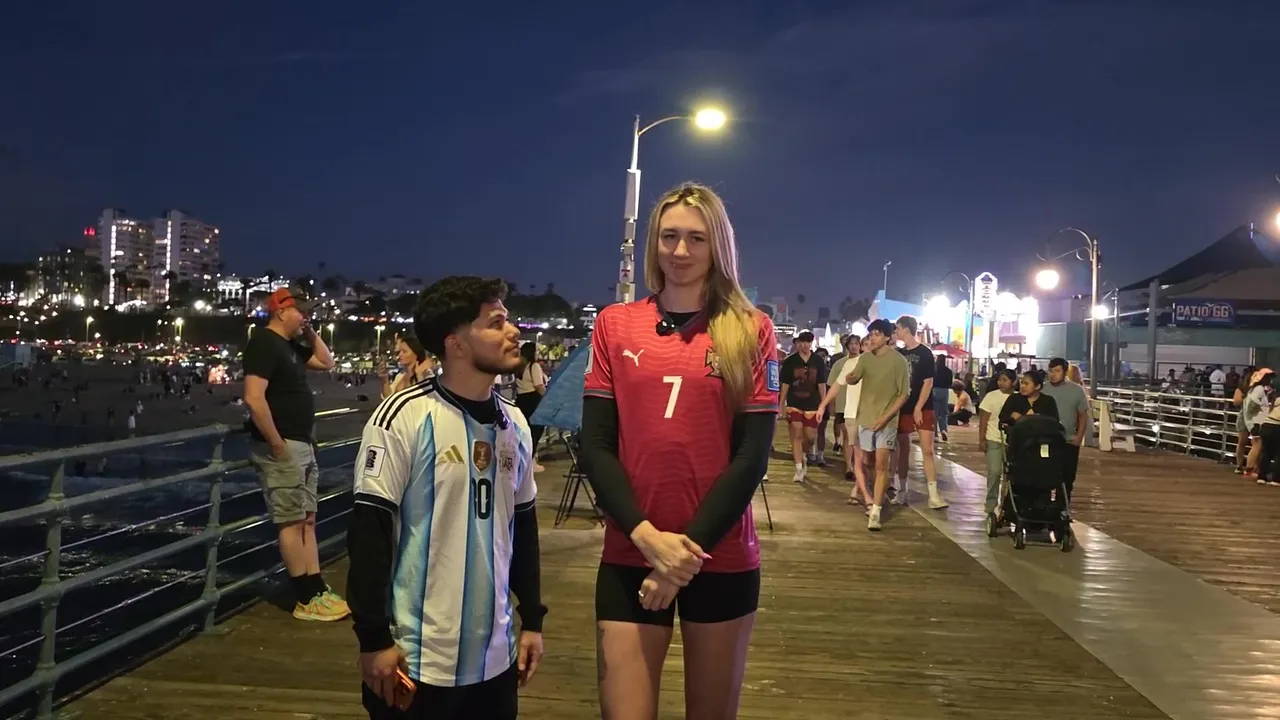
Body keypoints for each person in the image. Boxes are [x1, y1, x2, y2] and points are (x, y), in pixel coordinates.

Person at [578, 182, 778, 720]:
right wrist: (647, 539)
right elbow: (595, 444)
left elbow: (751, 457)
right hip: (631, 550)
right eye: (669, 236)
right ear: (654, 243)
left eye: (697, 238)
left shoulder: (752, 330)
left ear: (719, 247)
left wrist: (679, 560)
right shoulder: (614, 324)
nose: (681, 251)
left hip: (718, 554)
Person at [347, 276, 546, 720]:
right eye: (495, 323)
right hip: (417, 658)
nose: (513, 331)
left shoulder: (515, 424)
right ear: (455, 343)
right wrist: (373, 639)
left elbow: (524, 529)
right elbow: (368, 534)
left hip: (496, 657)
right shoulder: (403, 417)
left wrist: (532, 620)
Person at [242, 286, 345, 621]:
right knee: (290, 521)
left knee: (307, 519)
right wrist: (276, 443)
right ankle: (304, 598)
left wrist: (310, 331)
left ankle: (316, 588)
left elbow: (327, 362)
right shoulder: (263, 343)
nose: (305, 316)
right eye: (301, 311)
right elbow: (253, 397)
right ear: (281, 311)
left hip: (301, 443)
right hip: (283, 444)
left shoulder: (289, 347)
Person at [841, 319, 909, 531]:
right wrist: (851, 378)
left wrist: (886, 417)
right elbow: (855, 377)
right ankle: (879, 494)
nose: (872, 338)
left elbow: (904, 394)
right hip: (865, 418)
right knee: (867, 461)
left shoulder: (898, 361)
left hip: (887, 421)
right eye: (871, 334)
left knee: (881, 465)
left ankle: (876, 510)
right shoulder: (865, 358)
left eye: (877, 334)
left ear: (888, 337)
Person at [893, 316, 948, 509]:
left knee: (927, 450)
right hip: (903, 406)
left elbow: (928, 382)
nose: (896, 332)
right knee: (902, 449)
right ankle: (902, 490)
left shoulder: (925, 353)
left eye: (898, 328)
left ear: (906, 329)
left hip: (923, 407)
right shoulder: (899, 354)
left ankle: (933, 494)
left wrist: (918, 407)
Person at [818, 335, 868, 500]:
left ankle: (861, 488)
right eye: (851, 344)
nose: (855, 347)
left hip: (867, 411)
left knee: (865, 452)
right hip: (846, 407)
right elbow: (835, 385)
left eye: (857, 344)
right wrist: (826, 404)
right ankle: (849, 468)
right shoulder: (843, 364)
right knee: (850, 440)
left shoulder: (872, 362)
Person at [780, 331, 827, 481]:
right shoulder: (790, 361)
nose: (805, 345)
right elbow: (785, 384)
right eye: (802, 342)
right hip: (794, 402)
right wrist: (781, 404)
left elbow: (821, 384)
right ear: (797, 343)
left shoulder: (818, 361)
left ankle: (804, 455)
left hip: (813, 403)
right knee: (797, 435)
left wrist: (823, 403)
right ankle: (798, 468)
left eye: (808, 342)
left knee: (810, 437)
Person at [1041, 357, 1089, 497]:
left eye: (1057, 371)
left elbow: (1083, 415)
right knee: (1044, 475)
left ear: (1065, 372)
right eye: (1050, 371)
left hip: (1068, 440)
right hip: (1045, 440)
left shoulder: (1077, 390)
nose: (1053, 374)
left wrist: (1079, 437)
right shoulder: (1042, 388)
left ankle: (1062, 505)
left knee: (1067, 477)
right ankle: (1044, 503)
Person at [977, 368, 1017, 515]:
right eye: (1000, 380)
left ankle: (1005, 506)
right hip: (993, 438)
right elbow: (984, 419)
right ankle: (990, 505)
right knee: (994, 472)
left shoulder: (1018, 398)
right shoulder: (991, 396)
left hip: (1012, 442)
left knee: (1009, 476)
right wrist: (982, 439)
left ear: (1013, 382)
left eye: (1005, 380)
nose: (1001, 383)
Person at [513, 341, 548, 472]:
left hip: (521, 401)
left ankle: (523, 461)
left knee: (524, 432)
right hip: (533, 400)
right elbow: (539, 386)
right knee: (536, 431)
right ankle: (530, 462)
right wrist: (546, 397)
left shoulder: (519, 367)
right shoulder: (534, 366)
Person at [379, 334, 434, 399]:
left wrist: (420, 377)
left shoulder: (426, 374)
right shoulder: (400, 376)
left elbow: (428, 399)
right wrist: (385, 380)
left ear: (416, 353)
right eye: (400, 351)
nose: (400, 355)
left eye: (404, 351)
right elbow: (389, 398)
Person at [933, 355, 954, 440]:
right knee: (943, 413)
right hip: (944, 391)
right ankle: (943, 430)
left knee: (934, 413)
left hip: (934, 391)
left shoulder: (933, 369)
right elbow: (950, 383)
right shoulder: (948, 371)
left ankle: (934, 433)